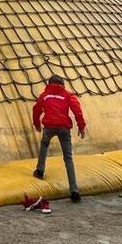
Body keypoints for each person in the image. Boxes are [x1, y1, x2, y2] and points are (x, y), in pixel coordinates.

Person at [32, 74, 86, 202]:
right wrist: (81, 126)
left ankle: (40, 170)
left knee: (44, 145)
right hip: (64, 127)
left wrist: (37, 124)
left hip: (49, 126)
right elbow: (77, 110)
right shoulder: (67, 95)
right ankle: (74, 189)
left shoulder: (44, 95)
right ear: (62, 84)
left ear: (49, 84)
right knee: (68, 157)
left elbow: (36, 110)